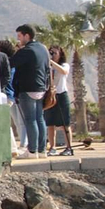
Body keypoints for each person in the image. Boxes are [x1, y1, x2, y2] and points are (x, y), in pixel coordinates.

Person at [9, 24, 50, 157]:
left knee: (30, 119)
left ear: (27, 35)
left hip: (27, 89)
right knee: (40, 119)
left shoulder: (27, 50)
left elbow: (11, 63)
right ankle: (42, 149)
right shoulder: (43, 49)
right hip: (41, 88)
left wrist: (19, 50)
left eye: (20, 36)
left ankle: (32, 150)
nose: (19, 40)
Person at [46, 44, 73, 155]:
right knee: (50, 123)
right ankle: (52, 147)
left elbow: (64, 71)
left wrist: (52, 62)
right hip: (50, 96)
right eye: (51, 53)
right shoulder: (48, 66)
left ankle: (69, 147)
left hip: (61, 95)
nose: (53, 55)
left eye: (55, 53)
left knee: (64, 123)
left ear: (60, 54)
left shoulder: (64, 65)